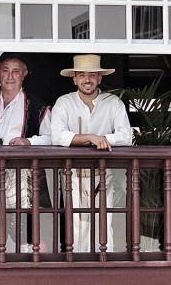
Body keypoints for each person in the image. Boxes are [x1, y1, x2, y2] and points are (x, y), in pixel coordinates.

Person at [51, 54, 133, 253]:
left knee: (104, 223)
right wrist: (89, 138)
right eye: (82, 75)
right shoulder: (64, 102)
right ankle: (79, 273)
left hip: (104, 175)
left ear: (100, 78)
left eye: (92, 75)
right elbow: (57, 136)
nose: (87, 79)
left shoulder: (113, 103)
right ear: (74, 79)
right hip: (73, 175)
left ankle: (106, 271)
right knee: (77, 226)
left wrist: (102, 139)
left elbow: (126, 137)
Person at [0, 53, 52, 253]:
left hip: (23, 174)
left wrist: (28, 141)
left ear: (24, 75)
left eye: (16, 71)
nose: (10, 76)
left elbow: (51, 138)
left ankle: (30, 266)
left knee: (26, 225)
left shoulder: (37, 104)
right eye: (5, 70)